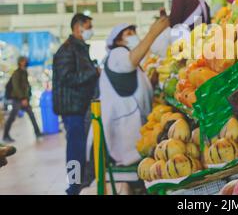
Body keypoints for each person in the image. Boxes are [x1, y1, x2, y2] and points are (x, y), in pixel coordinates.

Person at [87, 17, 170, 166]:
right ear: (118, 41)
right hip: (121, 130)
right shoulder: (117, 53)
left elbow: (134, 87)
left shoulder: (126, 58)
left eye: (134, 31)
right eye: (128, 33)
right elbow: (130, 62)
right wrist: (153, 33)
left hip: (130, 128)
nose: (133, 35)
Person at [52, 13, 99, 195]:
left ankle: (79, 184)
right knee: (75, 149)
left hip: (81, 107)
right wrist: (93, 73)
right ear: (78, 27)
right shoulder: (67, 49)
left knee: (80, 149)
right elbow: (66, 78)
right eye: (88, 27)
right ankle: (73, 187)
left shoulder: (79, 49)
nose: (90, 31)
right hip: (72, 109)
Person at [3, 57, 42, 142]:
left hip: (24, 99)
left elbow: (26, 86)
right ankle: (5, 135)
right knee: (12, 117)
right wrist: (22, 98)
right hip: (18, 99)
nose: (26, 62)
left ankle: (38, 132)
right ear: (20, 62)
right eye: (24, 61)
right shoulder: (17, 73)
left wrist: (27, 96)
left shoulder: (24, 72)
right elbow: (16, 87)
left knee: (31, 115)